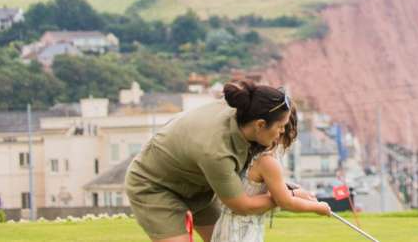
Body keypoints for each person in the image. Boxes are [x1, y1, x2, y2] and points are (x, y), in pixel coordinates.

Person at [126, 80, 330, 242]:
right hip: (155, 186)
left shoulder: (244, 115)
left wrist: (283, 189)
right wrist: (288, 196)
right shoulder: (217, 152)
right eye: (280, 127)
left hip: (199, 184)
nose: (282, 133)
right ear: (260, 124)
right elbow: (242, 206)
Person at [211, 87, 329, 242]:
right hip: (242, 232)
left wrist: (293, 189)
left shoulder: (250, 152)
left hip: (226, 227)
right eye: (281, 129)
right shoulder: (268, 162)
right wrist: (319, 208)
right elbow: (285, 202)